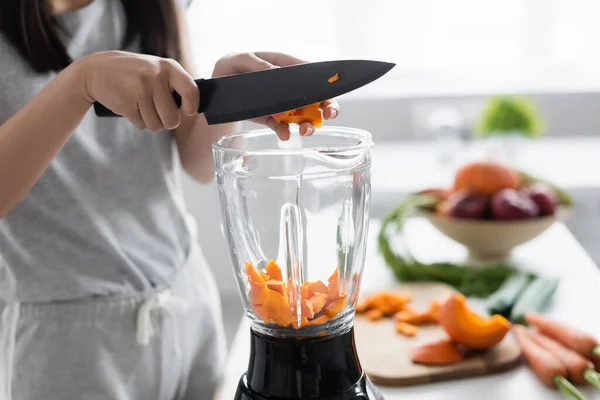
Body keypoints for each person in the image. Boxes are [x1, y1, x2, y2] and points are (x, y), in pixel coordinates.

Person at [0, 0, 340, 399]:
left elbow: (197, 162)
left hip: (187, 301)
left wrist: (223, 91)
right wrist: (81, 82)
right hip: (67, 338)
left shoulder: (153, 5)